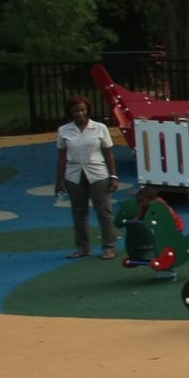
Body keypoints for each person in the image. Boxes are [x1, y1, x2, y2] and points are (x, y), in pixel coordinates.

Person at [53, 95, 118, 260]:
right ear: (71, 112)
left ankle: (109, 247)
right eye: (76, 111)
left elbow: (108, 154)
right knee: (79, 213)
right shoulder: (64, 131)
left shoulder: (100, 128)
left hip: (97, 174)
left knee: (104, 211)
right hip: (74, 175)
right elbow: (62, 157)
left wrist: (113, 175)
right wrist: (59, 180)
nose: (80, 114)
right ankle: (83, 248)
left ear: (88, 111)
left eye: (83, 110)